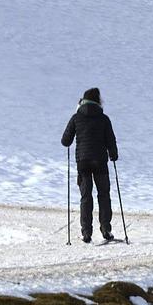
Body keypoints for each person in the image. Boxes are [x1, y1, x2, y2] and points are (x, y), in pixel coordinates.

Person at [60, 86, 119, 243]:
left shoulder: (76, 117)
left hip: (83, 162)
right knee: (104, 195)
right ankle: (106, 229)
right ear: (97, 101)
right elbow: (111, 140)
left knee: (86, 196)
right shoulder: (104, 119)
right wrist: (113, 154)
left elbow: (65, 141)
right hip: (100, 161)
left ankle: (86, 233)